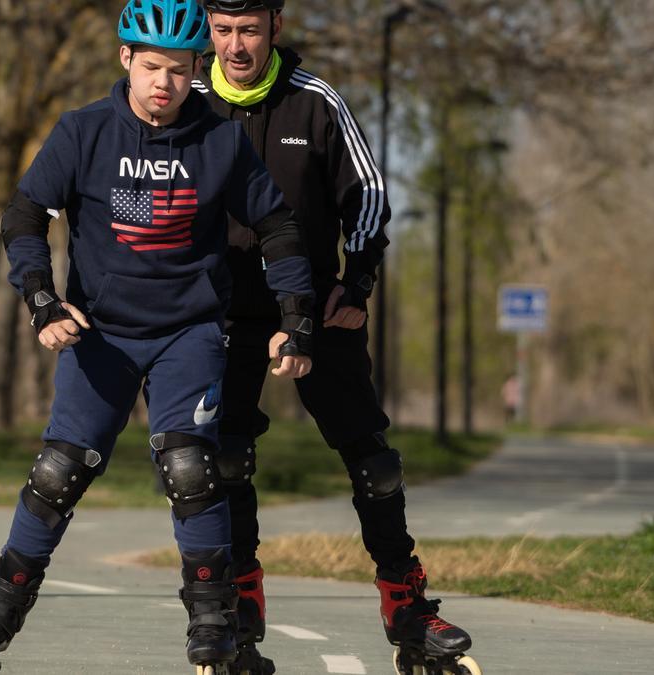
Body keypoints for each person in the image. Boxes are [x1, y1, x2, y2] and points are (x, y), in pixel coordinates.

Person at [0, 1, 316, 672]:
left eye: (178, 70)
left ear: (195, 68)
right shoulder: (83, 132)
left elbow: (279, 227)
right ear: (125, 60)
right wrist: (40, 298)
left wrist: (296, 318)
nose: (164, 85)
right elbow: (26, 214)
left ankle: (213, 625)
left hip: (189, 331)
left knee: (191, 466)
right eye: (151, 68)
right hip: (101, 332)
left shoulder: (219, 140)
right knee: (58, 473)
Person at [194, 1, 472, 672]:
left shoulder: (315, 102)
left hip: (313, 303)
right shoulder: (188, 97)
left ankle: (407, 604)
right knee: (226, 456)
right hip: (224, 308)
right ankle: (240, 600)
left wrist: (360, 280)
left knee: (373, 461)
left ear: (275, 30)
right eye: (224, 30)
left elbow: (369, 196)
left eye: (250, 30)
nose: (236, 45)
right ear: (208, 29)